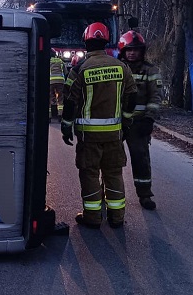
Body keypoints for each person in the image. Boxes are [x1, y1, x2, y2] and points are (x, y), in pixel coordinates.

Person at [61, 23, 137, 228]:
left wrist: (66, 127)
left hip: (89, 137)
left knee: (90, 173)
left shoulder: (80, 69)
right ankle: (117, 217)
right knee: (113, 173)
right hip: (114, 134)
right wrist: (127, 123)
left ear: (86, 42)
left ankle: (93, 218)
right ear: (105, 42)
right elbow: (131, 97)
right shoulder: (122, 67)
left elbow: (69, 101)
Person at [118, 30, 163, 210]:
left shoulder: (150, 70)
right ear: (123, 50)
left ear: (142, 51)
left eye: (136, 49)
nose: (132, 53)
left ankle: (145, 194)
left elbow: (155, 97)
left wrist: (149, 120)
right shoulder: (117, 68)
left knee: (140, 158)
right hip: (118, 123)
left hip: (138, 124)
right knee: (110, 160)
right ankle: (107, 192)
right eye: (129, 49)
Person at [49, 54, 67, 119]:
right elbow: (66, 72)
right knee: (60, 98)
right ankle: (60, 115)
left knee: (50, 97)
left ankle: (49, 116)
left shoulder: (48, 61)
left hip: (51, 81)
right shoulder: (61, 61)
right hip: (60, 81)